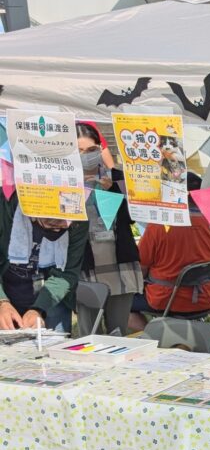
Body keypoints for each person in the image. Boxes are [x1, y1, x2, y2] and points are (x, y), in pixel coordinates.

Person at [127, 174, 210, 330]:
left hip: (165, 299)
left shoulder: (158, 227)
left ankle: (155, 335)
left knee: (121, 303)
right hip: (205, 297)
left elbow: (140, 270)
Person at [77, 123, 144, 336]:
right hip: (86, 265)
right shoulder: (66, 183)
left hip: (120, 264)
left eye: (91, 150)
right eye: (79, 151)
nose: (86, 156)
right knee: (89, 333)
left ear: (100, 148)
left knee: (118, 331)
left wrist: (113, 190)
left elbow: (132, 219)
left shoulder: (117, 178)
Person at [0, 194, 88, 334]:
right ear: (34, 214)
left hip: (52, 299)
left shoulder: (78, 220)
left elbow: (68, 273)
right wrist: (2, 302)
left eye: (65, 224)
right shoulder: (7, 208)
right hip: (8, 291)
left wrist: (38, 308)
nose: (58, 230)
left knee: (53, 349)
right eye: (51, 224)